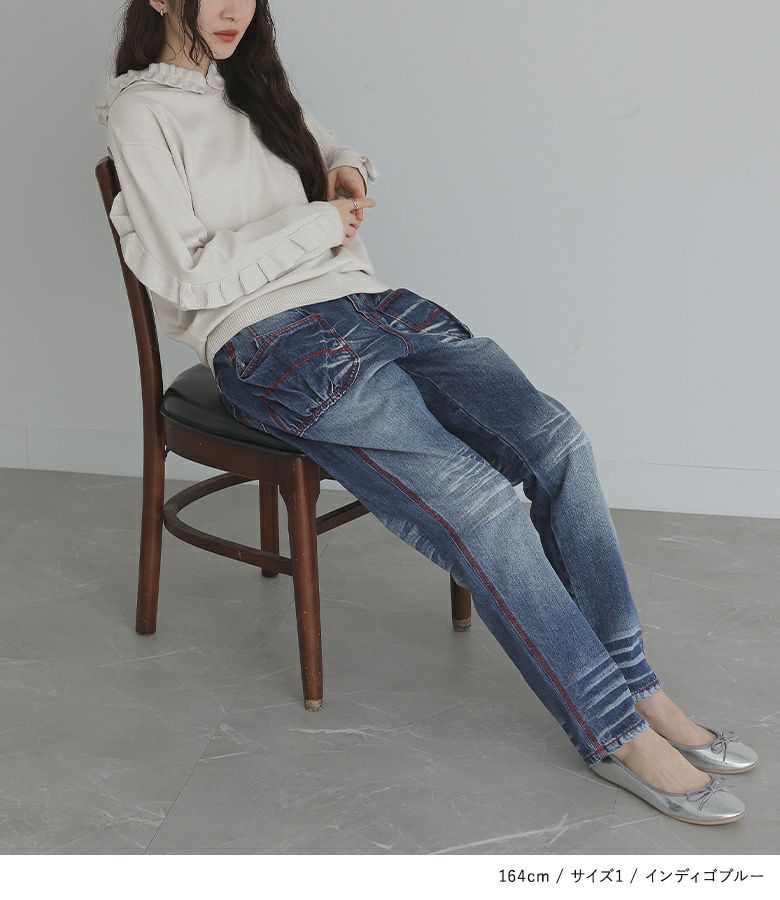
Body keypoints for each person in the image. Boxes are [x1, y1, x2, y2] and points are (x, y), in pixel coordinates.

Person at [95, 0, 757, 826]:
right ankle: (616, 732)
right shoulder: (142, 112)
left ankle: (640, 685)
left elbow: (333, 151)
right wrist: (315, 224)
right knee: (482, 505)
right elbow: (190, 273)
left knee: (558, 441)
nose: (235, 9)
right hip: (272, 343)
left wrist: (347, 175)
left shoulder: (253, 82)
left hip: (372, 307)